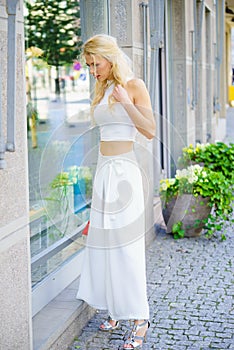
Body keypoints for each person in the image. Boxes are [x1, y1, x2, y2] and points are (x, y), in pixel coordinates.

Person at [76, 34, 156, 349]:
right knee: (104, 245)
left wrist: (125, 102)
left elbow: (149, 129)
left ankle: (140, 318)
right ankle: (115, 309)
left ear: (111, 58)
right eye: (90, 65)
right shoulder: (102, 88)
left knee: (125, 247)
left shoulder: (133, 86)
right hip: (105, 173)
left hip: (125, 173)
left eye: (96, 64)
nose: (93, 71)